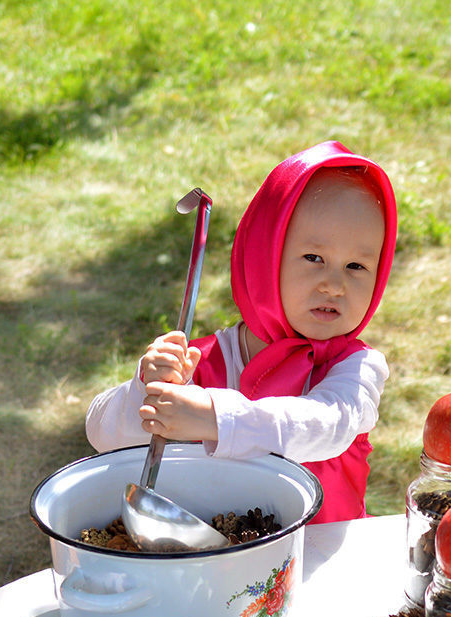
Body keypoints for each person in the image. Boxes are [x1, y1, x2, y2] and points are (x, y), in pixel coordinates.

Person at [85, 141, 398, 523]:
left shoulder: (357, 367)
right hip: (218, 555)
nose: (334, 284)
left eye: (356, 266)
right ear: (263, 257)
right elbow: (101, 433)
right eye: (314, 258)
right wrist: (145, 391)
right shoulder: (203, 360)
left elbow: (328, 423)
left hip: (320, 554)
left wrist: (216, 418)